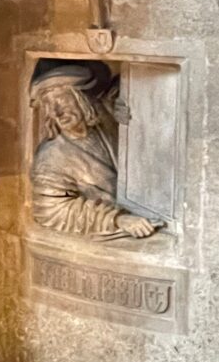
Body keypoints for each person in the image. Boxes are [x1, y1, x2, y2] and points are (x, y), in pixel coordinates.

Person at [30, 65, 160, 239]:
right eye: (48, 104)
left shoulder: (106, 118)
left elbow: (133, 80)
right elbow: (51, 210)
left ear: (81, 98)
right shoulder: (50, 158)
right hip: (115, 232)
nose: (56, 112)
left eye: (61, 99)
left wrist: (127, 104)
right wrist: (117, 220)